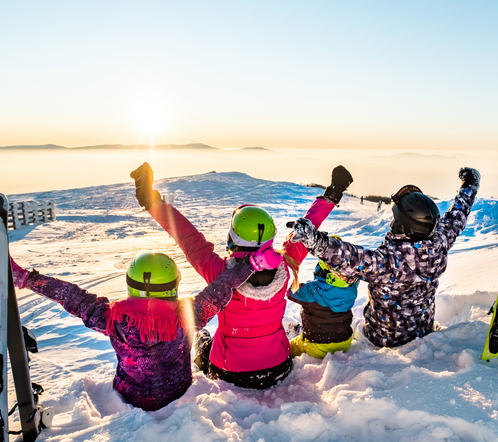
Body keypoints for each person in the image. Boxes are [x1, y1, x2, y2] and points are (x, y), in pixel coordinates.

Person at [130, 162, 353, 389]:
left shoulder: (220, 273)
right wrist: (332, 194)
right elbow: (307, 229)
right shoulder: (286, 265)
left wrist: (152, 202)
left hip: (230, 372)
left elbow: (188, 238)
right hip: (278, 366)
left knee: (203, 341)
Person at [9, 243, 282, 411]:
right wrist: (251, 264)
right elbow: (221, 289)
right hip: (178, 392)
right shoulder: (186, 316)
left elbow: (71, 295)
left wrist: (27, 279)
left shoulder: (111, 317)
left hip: (131, 397)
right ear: (173, 286)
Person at [287, 168, 480, 348]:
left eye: (395, 219)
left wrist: (315, 240)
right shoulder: (439, 242)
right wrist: (469, 185)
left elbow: (350, 258)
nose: (392, 222)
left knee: (353, 331)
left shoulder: (390, 261)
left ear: (403, 226)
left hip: (383, 339)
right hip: (423, 330)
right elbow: (457, 216)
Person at [288, 237, 359, 358]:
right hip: (345, 341)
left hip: (317, 346)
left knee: (289, 347)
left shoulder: (312, 291)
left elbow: (290, 291)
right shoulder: (351, 289)